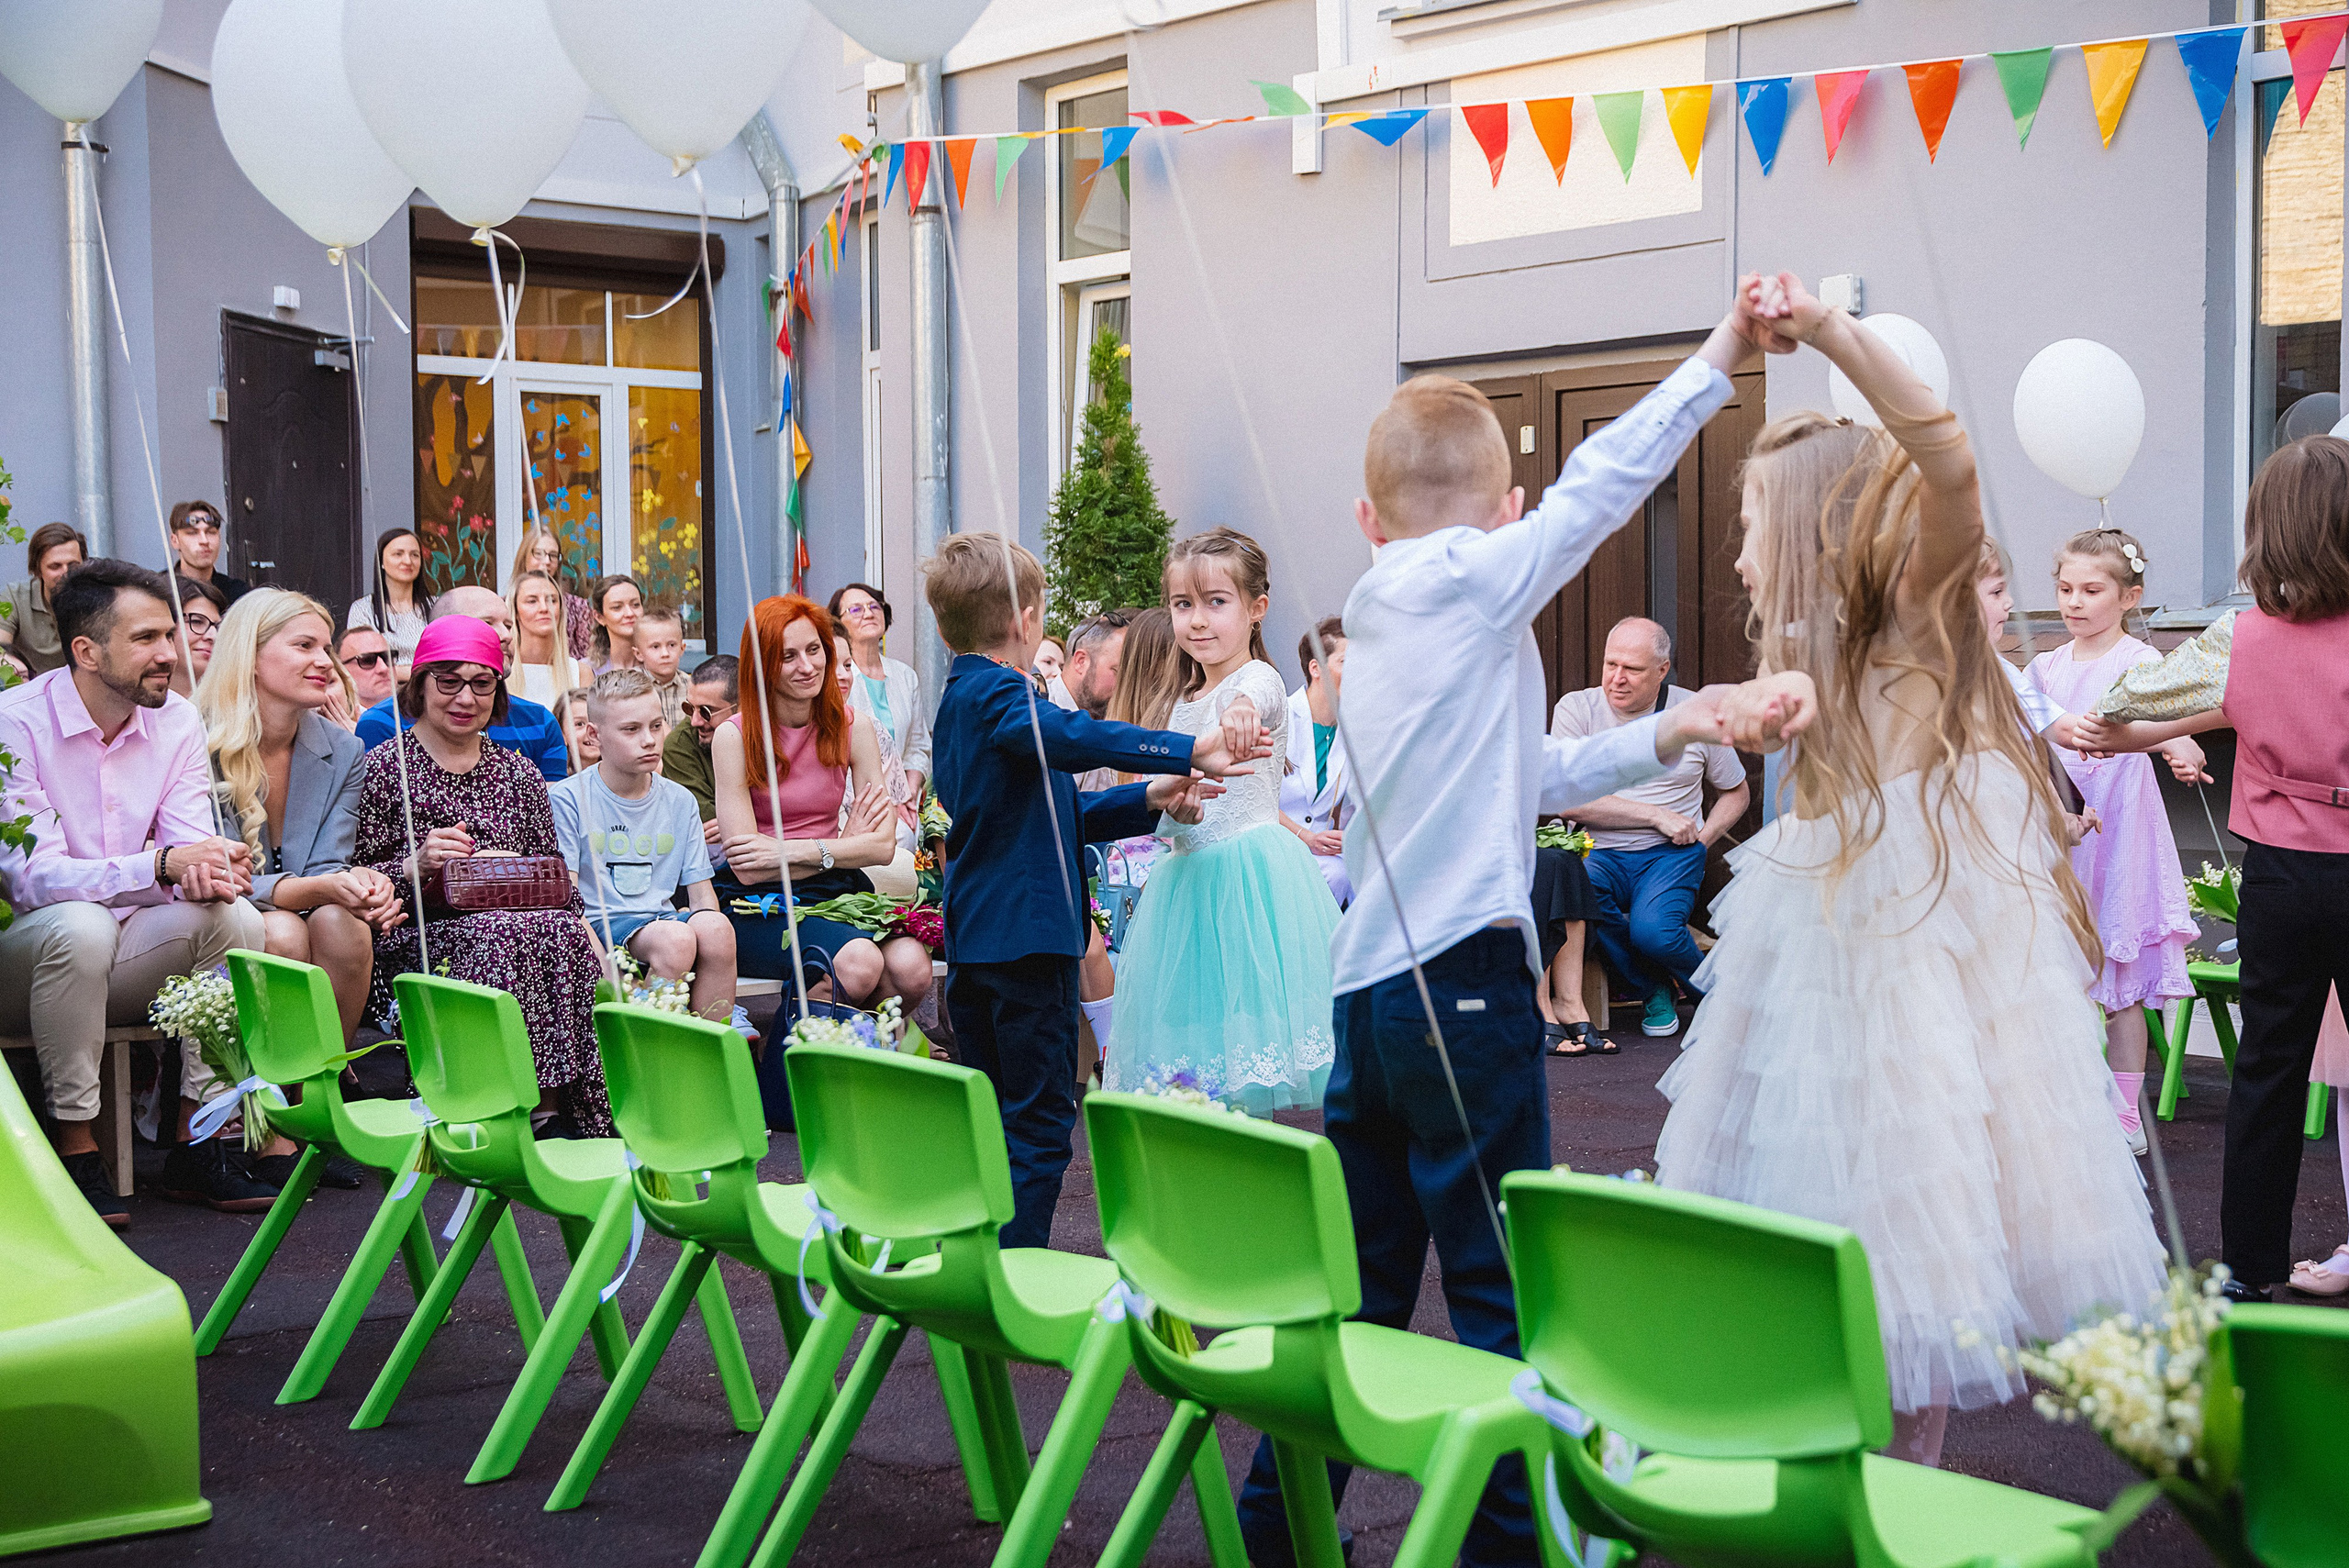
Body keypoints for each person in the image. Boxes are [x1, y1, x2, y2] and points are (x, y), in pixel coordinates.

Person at [1237, 285, 1776, 1568]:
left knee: (1365, 1293)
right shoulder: (1475, 578)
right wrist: (1723, 355)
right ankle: (1507, 1552)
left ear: (1366, 518)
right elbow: (1605, 478)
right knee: (1496, 1293)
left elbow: (1517, 777)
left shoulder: (1378, 619)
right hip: (1464, 990)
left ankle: (1278, 1527)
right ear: (1505, 517)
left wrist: (1673, 730)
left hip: (1368, 1000)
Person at [1654, 272, 2163, 1469]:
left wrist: (1831, 329)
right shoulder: (1809, 641)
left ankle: (1897, 1479)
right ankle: (1819, 1457)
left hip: (1920, 934)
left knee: (1914, 1205)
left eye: (1757, 524)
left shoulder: (1919, 594)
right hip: (1826, 922)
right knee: (1812, 1178)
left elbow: (1949, 465)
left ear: (1820, 524)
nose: (1741, 549)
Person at [2078, 433, 2349, 1304]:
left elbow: (2117, 706)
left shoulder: (2239, 639)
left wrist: (2167, 724)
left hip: (2280, 874)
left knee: (2268, 1069)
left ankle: (2248, 1268)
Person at [927, 533, 1252, 1249]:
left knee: (991, 1117)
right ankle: (1010, 1279)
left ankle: (978, 1259)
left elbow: (1056, 813)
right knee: (1040, 1124)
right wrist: (1188, 748)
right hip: (1027, 941)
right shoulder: (1001, 695)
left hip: (982, 937)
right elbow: (1067, 736)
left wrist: (1151, 796)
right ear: (1028, 618)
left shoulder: (957, 695)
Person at [0, 559, 267, 1223]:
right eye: (147, 638)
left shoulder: (176, 718)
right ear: (86, 651)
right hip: (27, 957)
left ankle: (197, 1136)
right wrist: (159, 866)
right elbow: (31, 879)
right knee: (79, 925)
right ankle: (76, 1150)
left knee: (237, 920)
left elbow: (184, 850)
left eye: (169, 636)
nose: (169, 654)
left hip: (120, 947)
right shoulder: (15, 721)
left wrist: (208, 869)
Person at [1103, 528, 1339, 1113]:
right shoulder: (1177, 704)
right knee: (1198, 1051)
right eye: (1184, 605)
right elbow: (1178, 812)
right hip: (1185, 889)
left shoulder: (1255, 681)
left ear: (1257, 609)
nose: (1199, 621)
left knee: (1250, 1029)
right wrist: (1174, 812)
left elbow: (1254, 697)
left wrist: (1237, 712)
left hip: (1250, 886)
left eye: (1217, 602)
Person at [351, 615, 611, 1135]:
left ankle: (556, 1106)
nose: (465, 697)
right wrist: (416, 862)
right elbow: (353, 876)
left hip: (528, 926)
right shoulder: (384, 768)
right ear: (420, 685)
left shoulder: (518, 773)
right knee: (506, 932)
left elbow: (555, 882)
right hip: (417, 932)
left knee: (560, 933)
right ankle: (512, 1103)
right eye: (449, 681)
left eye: (481, 683)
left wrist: (600, 956)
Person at [2026, 528, 2202, 1156]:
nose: (2075, 601)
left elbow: (2169, 723)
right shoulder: (2042, 667)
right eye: (2065, 588)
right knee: (2063, 971)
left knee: (2119, 978)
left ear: (2130, 595)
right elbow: (2031, 741)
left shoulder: (2138, 663)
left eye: (2092, 589)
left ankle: (2127, 1109)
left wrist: (2182, 748)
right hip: (2063, 829)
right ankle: (2066, 1095)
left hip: (2123, 829)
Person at [198, 589, 403, 1046]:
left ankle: (321, 1084)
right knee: (283, 932)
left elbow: (328, 865)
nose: (327, 661)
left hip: (291, 904)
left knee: (342, 925)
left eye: (327, 647)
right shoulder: (195, 742)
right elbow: (227, 879)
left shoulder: (345, 750)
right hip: (210, 914)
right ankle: (267, 1090)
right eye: (305, 645)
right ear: (250, 655)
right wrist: (330, 885)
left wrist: (358, 884)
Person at [712, 595, 926, 1008]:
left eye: (814, 651)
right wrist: (845, 846)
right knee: (859, 962)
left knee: (912, 969)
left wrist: (790, 849)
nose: (807, 667)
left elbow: (882, 847)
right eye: (787, 656)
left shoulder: (854, 727)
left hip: (834, 890)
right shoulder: (733, 737)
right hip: (758, 905)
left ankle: (846, 1063)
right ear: (762, 664)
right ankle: (785, 1068)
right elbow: (748, 866)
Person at [1550, 617, 1749, 1039]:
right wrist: (1654, 815)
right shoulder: (1577, 710)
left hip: (1669, 856)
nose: (1616, 679)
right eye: (1610, 664)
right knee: (1579, 898)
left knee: (1654, 932)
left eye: (1633, 670)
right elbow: (1564, 796)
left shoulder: (1693, 712)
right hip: (1595, 851)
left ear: (1662, 670)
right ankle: (1654, 988)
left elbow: (1736, 793)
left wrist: (1701, 840)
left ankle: (1722, 999)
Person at [554, 668, 736, 1024]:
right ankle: (642, 1049)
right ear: (595, 735)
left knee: (717, 930)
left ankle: (711, 1044)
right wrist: (605, 971)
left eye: (656, 726)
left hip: (661, 921)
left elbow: (702, 897)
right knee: (677, 939)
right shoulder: (569, 798)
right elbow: (568, 903)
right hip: (600, 924)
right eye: (631, 730)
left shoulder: (680, 800)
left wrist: (705, 920)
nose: (650, 740)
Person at [356, 585, 570, 784]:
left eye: (508, 625)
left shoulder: (541, 723)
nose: (505, 636)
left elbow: (553, 810)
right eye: (486, 624)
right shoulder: (383, 723)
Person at [829, 581, 932, 806]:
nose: (868, 613)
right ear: (838, 624)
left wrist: (909, 795)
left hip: (905, 806)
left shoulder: (905, 675)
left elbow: (918, 746)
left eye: (874, 606)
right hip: (852, 807)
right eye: (856, 609)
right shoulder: (833, 679)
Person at [1276, 616, 1353, 905]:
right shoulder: (1279, 717)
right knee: (1336, 875)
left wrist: (1350, 837)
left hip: (1325, 852)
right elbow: (1254, 800)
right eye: (1346, 662)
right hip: (1277, 844)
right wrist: (1306, 836)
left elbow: (1357, 808)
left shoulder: (1353, 729)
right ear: (1316, 668)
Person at [663, 654, 738, 839]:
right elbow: (705, 826)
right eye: (689, 708)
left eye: (706, 711)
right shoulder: (679, 745)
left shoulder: (773, 732)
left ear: (742, 706)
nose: (695, 721)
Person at [0, 521, 85, 678]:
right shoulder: (16, 597)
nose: (65, 573)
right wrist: (9, 664)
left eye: (73, 565)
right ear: (37, 569)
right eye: (55, 566)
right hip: (31, 690)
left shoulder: (98, 599)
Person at [509, 524, 596, 662]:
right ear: (524, 556)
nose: (547, 561)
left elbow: (588, 655)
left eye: (553, 555)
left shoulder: (578, 607)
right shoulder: (505, 605)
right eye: (539, 554)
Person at [347, 528, 429, 664]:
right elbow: (362, 664)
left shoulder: (437, 607)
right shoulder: (363, 609)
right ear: (382, 562)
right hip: (382, 684)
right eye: (398, 554)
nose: (408, 561)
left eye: (415, 555)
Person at [510, 568, 580, 710]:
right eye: (532, 601)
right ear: (516, 611)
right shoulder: (501, 673)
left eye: (551, 600)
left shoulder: (580, 672)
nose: (544, 608)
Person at [167, 499, 250, 605]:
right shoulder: (158, 591)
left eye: (211, 532)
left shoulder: (238, 593)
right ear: (175, 541)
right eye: (193, 533)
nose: (204, 541)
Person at [167, 575, 228, 698]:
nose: (213, 636)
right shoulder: (137, 708)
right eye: (197, 622)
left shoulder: (231, 706)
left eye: (217, 626)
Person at [635, 604, 691, 728]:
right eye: (655, 647)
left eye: (672, 645)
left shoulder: (692, 686)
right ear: (638, 654)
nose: (665, 654)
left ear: (682, 648)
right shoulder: (629, 686)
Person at [337, 623, 397, 717]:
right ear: (341, 670)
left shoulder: (421, 711)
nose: (383, 668)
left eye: (387, 657)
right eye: (367, 660)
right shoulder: (333, 722)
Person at [591, 573, 644, 673]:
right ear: (599, 617)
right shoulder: (588, 669)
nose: (629, 613)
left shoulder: (659, 663)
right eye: (617, 607)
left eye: (635, 605)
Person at [555, 690, 596, 773]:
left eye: (597, 721)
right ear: (561, 733)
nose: (592, 730)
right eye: (580, 724)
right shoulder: (557, 781)